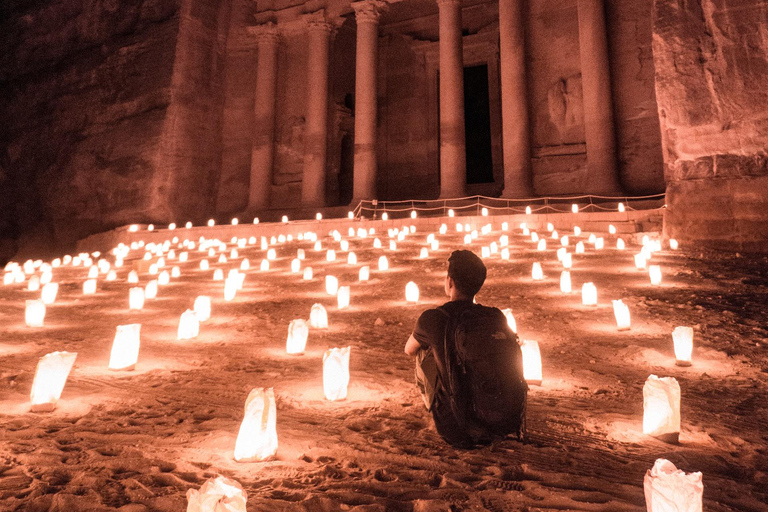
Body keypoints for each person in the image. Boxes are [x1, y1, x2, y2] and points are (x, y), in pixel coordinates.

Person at [404, 250, 494, 447]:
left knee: (423, 350)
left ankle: (439, 404)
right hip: (499, 421)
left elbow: (409, 350)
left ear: (450, 282)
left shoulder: (434, 317)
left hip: (455, 427)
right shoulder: (496, 317)